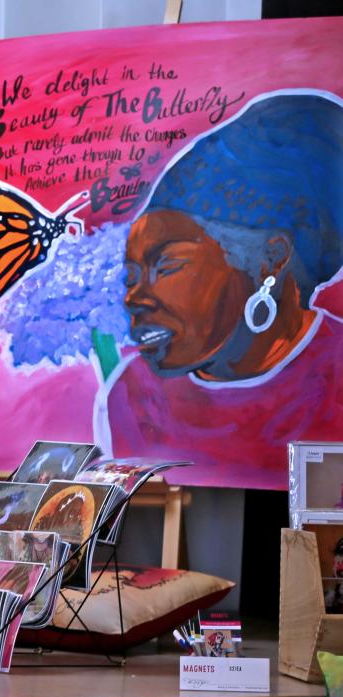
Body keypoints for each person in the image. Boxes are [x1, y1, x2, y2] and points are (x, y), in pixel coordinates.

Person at [101, 93, 342, 485]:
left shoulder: (336, 375)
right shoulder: (134, 396)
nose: (135, 297)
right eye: (131, 276)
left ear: (271, 259)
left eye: (167, 266)